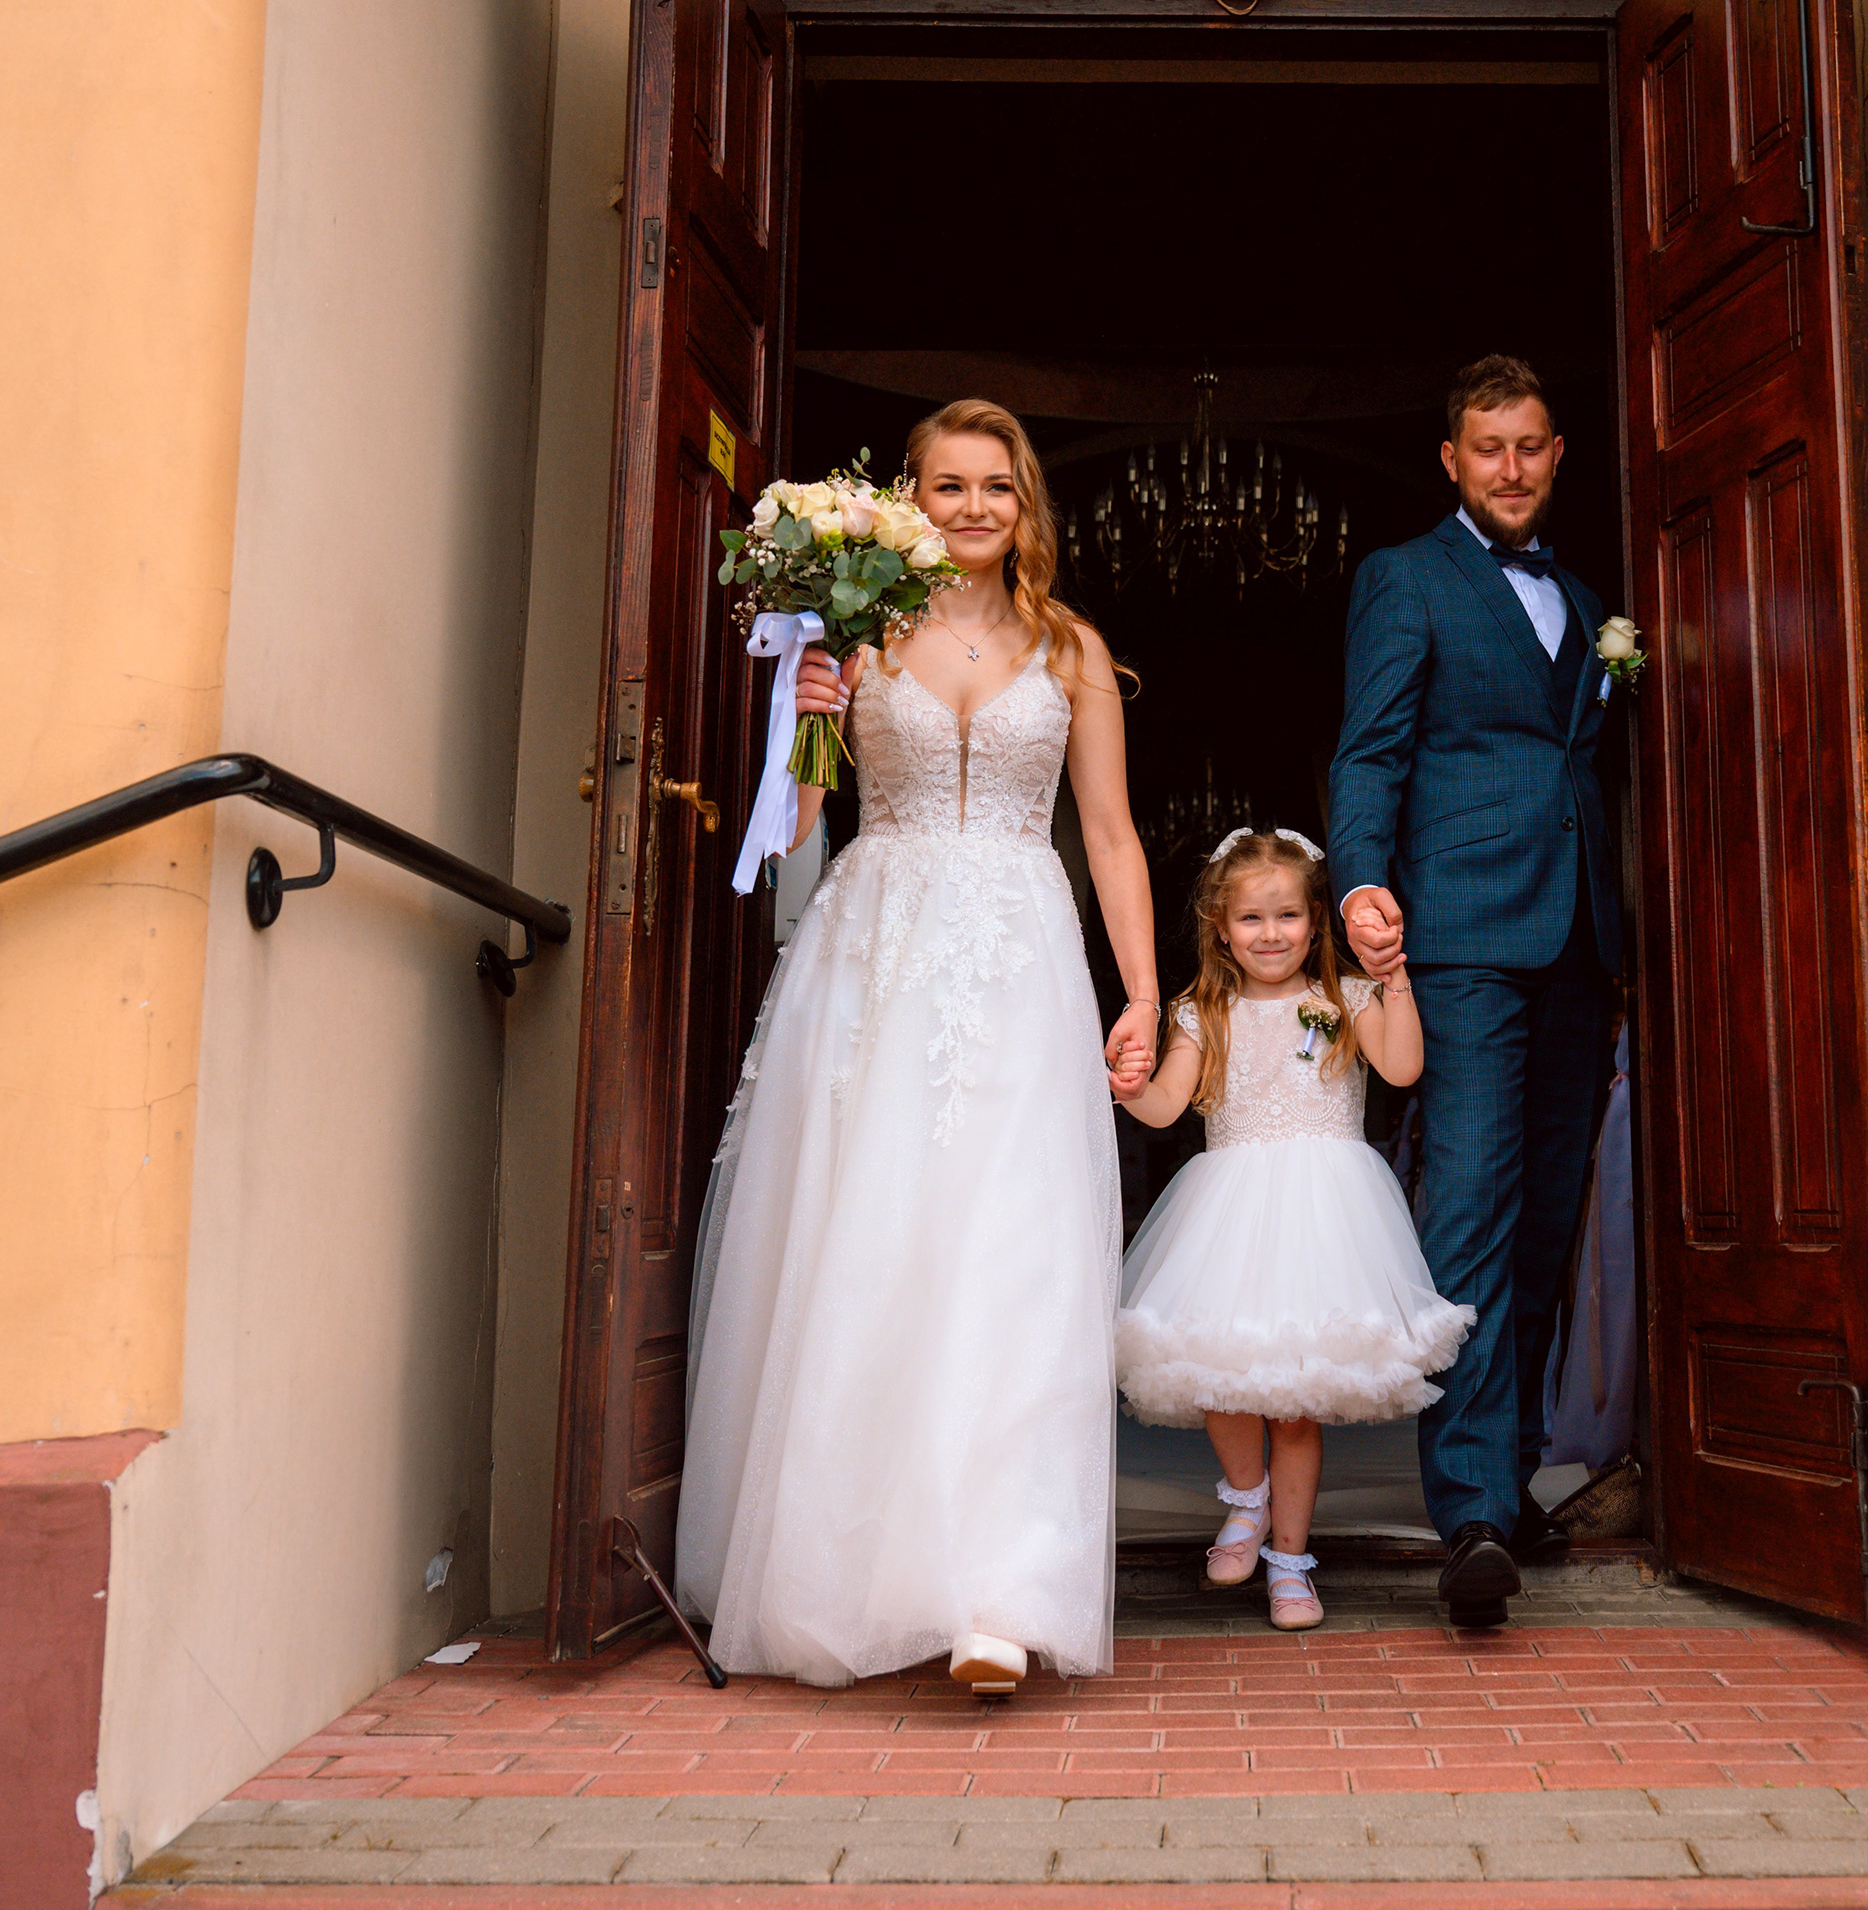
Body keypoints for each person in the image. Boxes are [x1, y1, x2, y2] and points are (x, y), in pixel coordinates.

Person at [675, 398, 1161, 1695]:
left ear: (1025, 503)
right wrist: (802, 715)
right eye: (950, 485)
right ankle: (845, 1578)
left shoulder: (1070, 647)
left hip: (1019, 962)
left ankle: (1001, 1593)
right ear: (911, 499)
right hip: (876, 959)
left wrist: (1143, 993)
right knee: (875, 1248)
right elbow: (795, 826)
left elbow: (1110, 833)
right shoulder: (856, 629)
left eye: (997, 485)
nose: (974, 507)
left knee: (1015, 1257)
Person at [1325, 354, 1624, 1628]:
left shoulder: (1590, 600)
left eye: (1530, 445)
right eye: (1487, 447)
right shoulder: (1406, 578)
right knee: (1472, 1213)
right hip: (1459, 937)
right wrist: (1359, 881)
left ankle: (1511, 1473)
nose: (1511, 467)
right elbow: (1371, 748)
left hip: (1579, 937)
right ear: (1452, 460)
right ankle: (1470, 1512)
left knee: (1548, 1217)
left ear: (1557, 455)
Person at [1110, 826, 1465, 1630]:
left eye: (1287, 916)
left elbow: (1403, 1067)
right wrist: (1132, 1087)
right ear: (1220, 928)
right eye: (1250, 919)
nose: (1270, 934)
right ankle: (1247, 1499)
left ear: (1315, 921)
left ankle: (1291, 1565)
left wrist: (1393, 980)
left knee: (1296, 1402)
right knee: (1221, 1370)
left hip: (1325, 1219)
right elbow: (1166, 1105)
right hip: (1228, 1217)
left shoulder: (1345, 1000)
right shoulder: (1201, 1012)